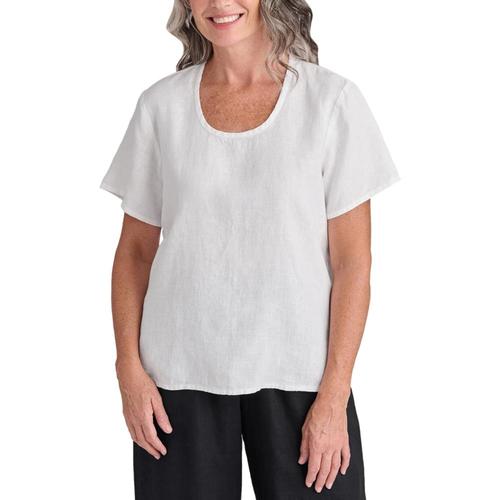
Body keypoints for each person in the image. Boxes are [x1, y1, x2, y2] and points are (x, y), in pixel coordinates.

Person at [99, 0, 400, 498]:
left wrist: (334, 394)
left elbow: (353, 265)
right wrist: (127, 369)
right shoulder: (161, 108)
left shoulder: (330, 102)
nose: (219, 4)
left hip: (302, 375)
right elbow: (134, 253)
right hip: (176, 377)